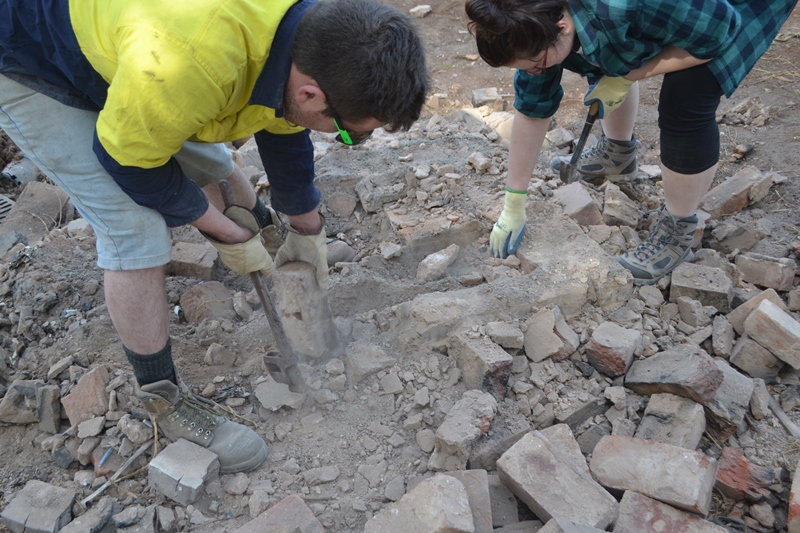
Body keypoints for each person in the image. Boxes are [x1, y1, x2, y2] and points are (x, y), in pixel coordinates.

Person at [0, 0, 429, 473]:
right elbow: (127, 162)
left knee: (216, 165)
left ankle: (276, 261)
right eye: (348, 135)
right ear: (310, 92)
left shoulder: (311, 36)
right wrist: (223, 231)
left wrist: (307, 225)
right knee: (134, 228)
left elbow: (282, 121)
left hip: (143, 56)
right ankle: (164, 399)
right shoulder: (191, 63)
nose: (346, 139)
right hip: (30, 51)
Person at [465, 0, 796, 285]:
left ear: (561, 27)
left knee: (686, 100)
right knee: (604, 54)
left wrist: (628, 76)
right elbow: (533, 108)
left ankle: (677, 232)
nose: (536, 72)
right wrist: (513, 203)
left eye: (538, 65)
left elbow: (720, 33)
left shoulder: (625, 6)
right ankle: (617, 155)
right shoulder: (535, 19)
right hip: (671, 13)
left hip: (732, 12)